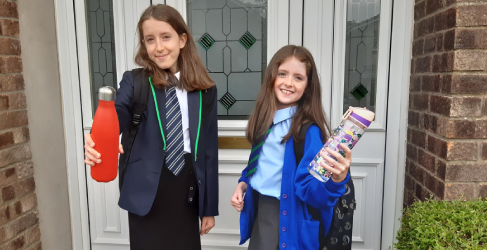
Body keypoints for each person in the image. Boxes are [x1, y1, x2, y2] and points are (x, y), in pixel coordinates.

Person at [84, 4, 218, 250]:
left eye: (165, 37)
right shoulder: (135, 82)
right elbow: (116, 115)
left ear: (182, 39)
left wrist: (208, 208)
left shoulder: (204, 89)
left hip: (185, 187)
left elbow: (208, 150)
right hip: (146, 188)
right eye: (150, 39)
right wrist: (98, 139)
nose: (159, 47)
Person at [230, 45, 352, 250]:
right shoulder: (264, 121)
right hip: (262, 212)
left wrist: (336, 180)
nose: (288, 82)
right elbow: (260, 165)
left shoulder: (307, 132)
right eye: (282, 74)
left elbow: (315, 193)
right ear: (271, 77)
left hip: (289, 218)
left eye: (298, 77)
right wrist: (243, 183)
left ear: (308, 86)